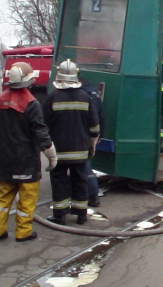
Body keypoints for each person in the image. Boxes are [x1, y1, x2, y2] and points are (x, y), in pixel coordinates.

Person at [0, 62, 57, 243]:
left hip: (4, 159)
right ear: (29, 80)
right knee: (27, 198)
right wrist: (51, 155)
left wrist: (0, 144)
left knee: (3, 197)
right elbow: (40, 132)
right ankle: (23, 232)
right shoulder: (32, 103)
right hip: (26, 160)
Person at [43, 60, 100, 226]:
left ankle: (60, 215)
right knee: (80, 180)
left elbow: (43, 126)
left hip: (58, 151)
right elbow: (94, 125)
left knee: (59, 181)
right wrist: (92, 144)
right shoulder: (85, 97)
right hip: (80, 150)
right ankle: (81, 214)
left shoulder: (52, 98)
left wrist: (46, 148)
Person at [79, 76, 105, 207]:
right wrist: (99, 135)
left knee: (84, 167)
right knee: (85, 164)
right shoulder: (93, 94)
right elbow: (100, 117)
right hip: (89, 135)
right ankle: (92, 195)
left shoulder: (81, 96)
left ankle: (92, 195)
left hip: (79, 136)